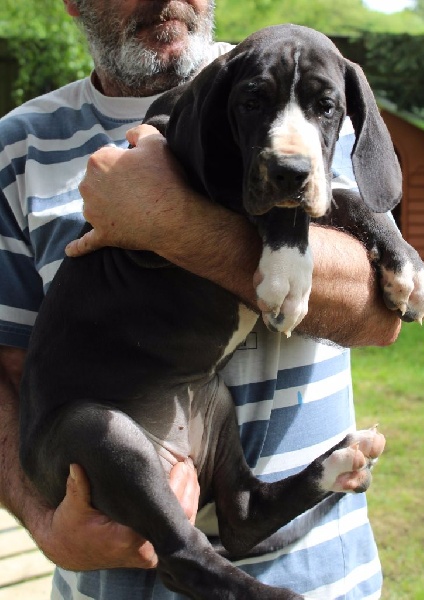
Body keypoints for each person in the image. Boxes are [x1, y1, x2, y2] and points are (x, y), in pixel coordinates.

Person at [0, 0, 401, 598]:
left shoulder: (305, 80)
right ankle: (198, 562)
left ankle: (256, 513)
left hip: (320, 576)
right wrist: (46, 525)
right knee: (100, 426)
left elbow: (379, 316)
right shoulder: (16, 147)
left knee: (207, 400)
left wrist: (173, 225)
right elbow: (6, 372)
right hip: (106, 563)